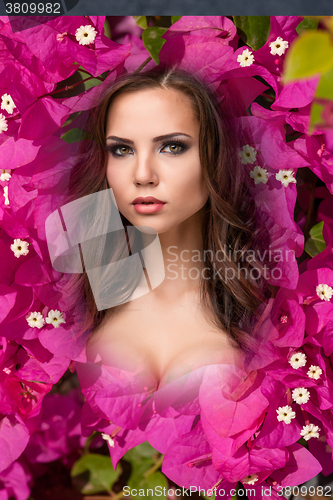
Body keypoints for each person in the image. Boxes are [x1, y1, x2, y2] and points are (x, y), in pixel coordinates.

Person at [68, 68, 271, 387]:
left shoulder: (262, 319)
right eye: (122, 149)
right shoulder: (79, 313)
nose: (143, 174)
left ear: (213, 157)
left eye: (172, 147)